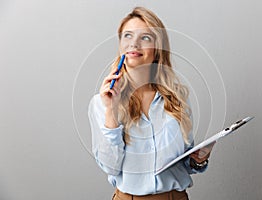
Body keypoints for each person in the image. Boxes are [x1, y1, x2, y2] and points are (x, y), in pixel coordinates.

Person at [88, 7, 215, 200]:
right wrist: (111, 110)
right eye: (127, 36)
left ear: (158, 48)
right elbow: (110, 166)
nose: (134, 44)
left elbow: (185, 165)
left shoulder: (177, 98)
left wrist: (199, 160)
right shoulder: (101, 102)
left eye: (145, 38)